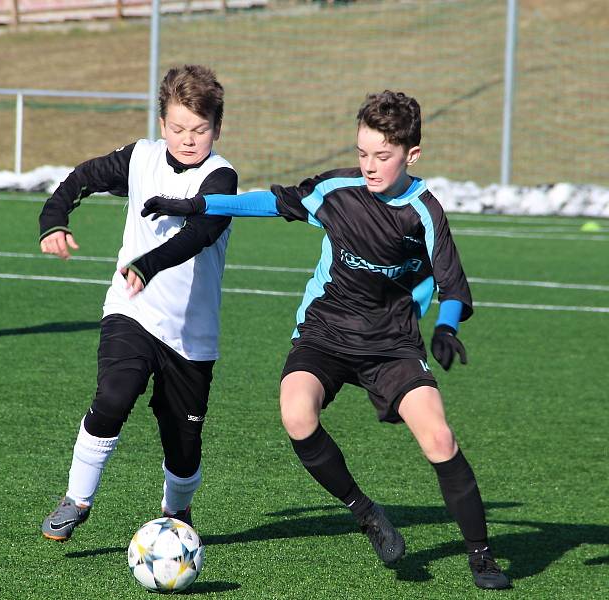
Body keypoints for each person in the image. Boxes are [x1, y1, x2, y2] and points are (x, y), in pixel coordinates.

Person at [141, 90, 511, 590]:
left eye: (383, 156)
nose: (371, 166)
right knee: (296, 413)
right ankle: (365, 512)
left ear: (411, 155)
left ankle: (482, 556)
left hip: (391, 344)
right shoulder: (337, 191)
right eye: (363, 154)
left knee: (439, 437)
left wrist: (446, 325)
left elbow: (452, 283)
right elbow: (270, 202)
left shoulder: (424, 212)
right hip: (326, 331)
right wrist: (195, 203)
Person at [37, 65, 237, 542]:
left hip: (191, 335)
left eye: (200, 129)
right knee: (114, 395)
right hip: (132, 311)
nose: (188, 139)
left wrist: (149, 263)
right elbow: (83, 177)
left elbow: (200, 234)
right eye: (177, 128)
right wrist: (54, 217)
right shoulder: (141, 157)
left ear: (217, 128)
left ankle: (176, 512)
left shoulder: (221, 177)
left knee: (183, 444)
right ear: (162, 124)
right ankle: (77, 500)